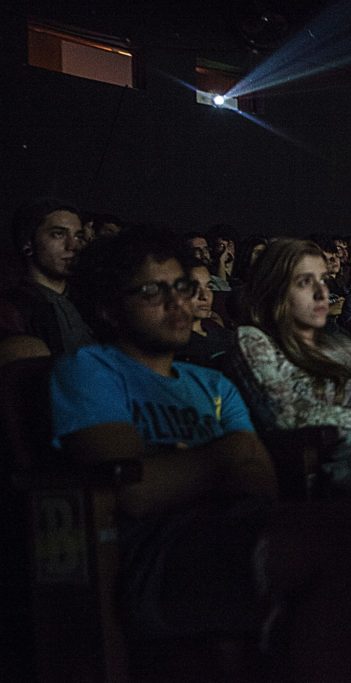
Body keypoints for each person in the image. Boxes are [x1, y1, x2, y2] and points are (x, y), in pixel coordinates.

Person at [50, 225, 277, 639]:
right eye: (153, 292)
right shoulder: (91, 370)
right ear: (108, 309)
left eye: (183, 287)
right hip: (154, 561)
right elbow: (131, 489)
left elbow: (258, 482)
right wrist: (225, 454)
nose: (178, 303)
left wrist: (193, 465)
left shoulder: (213, 385)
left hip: (235, 531)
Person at [227, 239, 351, 495]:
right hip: (348, 474)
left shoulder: (338, 345)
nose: (322, 293)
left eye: (323, 280)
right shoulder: (253, 338)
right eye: (305, 282)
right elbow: (284, 414)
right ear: (275, 289)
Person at [0, 197, 94, 364]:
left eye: (78, 236)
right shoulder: (13, 307)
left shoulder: (88, 300)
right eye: (58, 234)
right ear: (28, 243)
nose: (73, 245)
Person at [175, 254, 232, 369]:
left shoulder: (223, 334)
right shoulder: (174, 345)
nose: (204, 296)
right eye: (194, 288)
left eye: (209, 287)